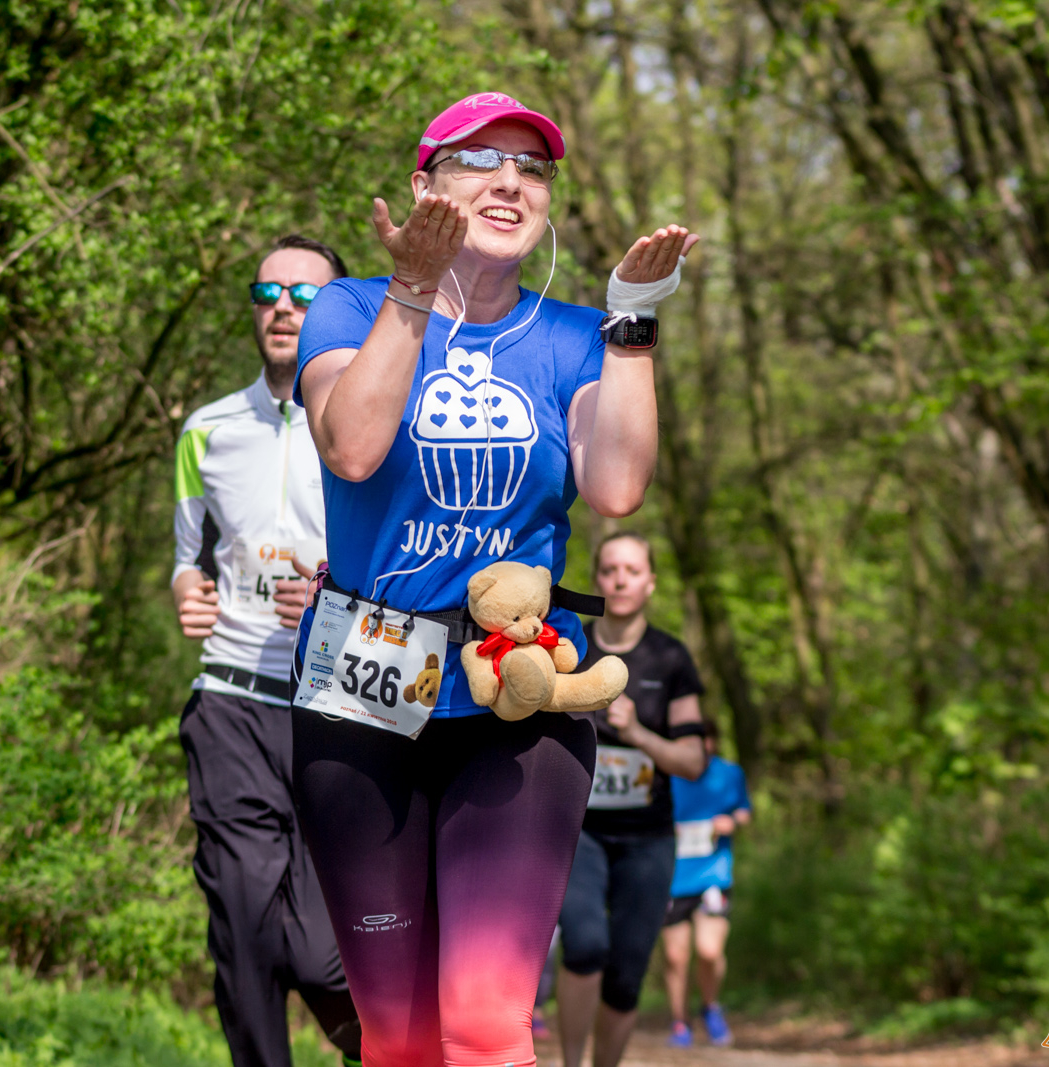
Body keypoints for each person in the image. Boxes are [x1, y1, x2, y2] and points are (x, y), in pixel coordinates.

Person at [290, 90, 699, 1067]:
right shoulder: (350, 308)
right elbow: (351, 447)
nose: (511, 181)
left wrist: (632, 322)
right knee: (397, 1038)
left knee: (482, 1021)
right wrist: (411, 288)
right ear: (424, 186)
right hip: (364, 685)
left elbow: (617, 486)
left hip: (519, 691)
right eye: (480, 160)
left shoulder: (571, 335)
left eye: (533, 167)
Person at [172, 234, 361, 1067]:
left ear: (341, 309)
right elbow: (188, 557)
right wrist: (185, 588)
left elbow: (406, 569)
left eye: (305, 294)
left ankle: (384, 1049)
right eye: (267, 291)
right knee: (244, 934)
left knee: (325, 951)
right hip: (232, 698)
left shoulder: (371, 430)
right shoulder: (206, 430)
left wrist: (334, 600)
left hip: (338, 705)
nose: (283, 307)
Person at [556, 532, 707, 1067]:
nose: (620, 580)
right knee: (584, 946)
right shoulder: (569, 645)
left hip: (647, 839)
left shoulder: (670, 658)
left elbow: (693, 761)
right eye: (610, 569)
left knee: (625, 972)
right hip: (578, 832)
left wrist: (639, 734)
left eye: (632, 571)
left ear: (650, 583)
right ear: (597, 578)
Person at [660, 717, 752, 1047]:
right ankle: (679, 1022)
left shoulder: (730, 773)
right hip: (672, 877)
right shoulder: (665, 771)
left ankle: (711, 1007)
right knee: (675, 956)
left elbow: (744, 811)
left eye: (707, 739)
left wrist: (732, 822)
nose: (702, 746)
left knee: (709, 951)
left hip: (714, 874)